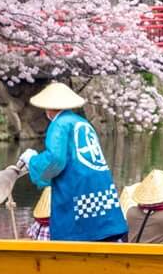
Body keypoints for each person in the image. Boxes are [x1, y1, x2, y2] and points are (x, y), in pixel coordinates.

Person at [15, 81, 128, 243]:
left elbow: (55, 159)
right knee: (103, 227)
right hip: (100, 187)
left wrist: (32, 160)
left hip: (77, 186)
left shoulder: (59, 125)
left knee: (78, 232)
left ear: (48, 108)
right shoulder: (82, 122)